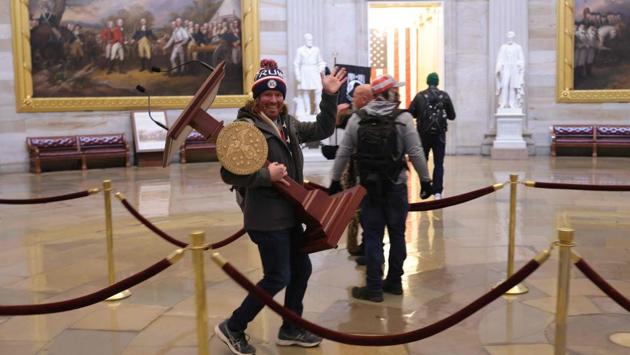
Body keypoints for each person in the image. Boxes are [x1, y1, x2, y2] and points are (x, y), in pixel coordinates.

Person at [215, 59, 347, 355]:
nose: (273, 99)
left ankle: (290, 328)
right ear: (257, 97)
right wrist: (265, 175)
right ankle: (233, 327)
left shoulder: (288, 123)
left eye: (277, 94)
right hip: (265, 217)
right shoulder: (245, 128)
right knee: (278, 276)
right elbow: (228, 173)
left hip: (289, 214)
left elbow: (324, 128)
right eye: (266, 94)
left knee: (301, 269)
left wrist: (329, 96)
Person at [329, 74, 432, 303]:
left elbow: (344, 152)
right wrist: (426, 180)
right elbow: (415, 151)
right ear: (391, 93)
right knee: (397, 235)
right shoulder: (403, 118)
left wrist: (334, 180)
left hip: (369, 187)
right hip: (396, 185)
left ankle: (373, 287)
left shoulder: (358, 118)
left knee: (373, 236)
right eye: (397, 89)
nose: (399, 92)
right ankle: (394, 282)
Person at [335, 84, 373, 257]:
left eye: (356, 95)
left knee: (360, 210)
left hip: (360, 173)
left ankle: (363, 246)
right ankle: (360, 245)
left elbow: (339, 122)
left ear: (364, 99)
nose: (352, 98)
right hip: (361, 172)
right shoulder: (356, 115)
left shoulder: (358, 116)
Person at [408, 72, 456, 200]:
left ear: (427, 82)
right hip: (439, 135)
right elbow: (452, 116)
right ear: (437, 82)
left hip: (423, 134)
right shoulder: (444, 96)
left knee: (422, 162)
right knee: (439, 163)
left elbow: (410, 113)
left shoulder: (419, 96)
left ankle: (425, 188)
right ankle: (437, 192)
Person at [294, 33, 326, 116]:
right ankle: (307, 110)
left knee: (318, 90)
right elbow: (296, 63)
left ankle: (318, 109)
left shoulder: (316, 50)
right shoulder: (300, 50)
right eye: (308, 40)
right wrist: (298, 75)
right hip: (305, 71)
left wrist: (321, 67)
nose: (310, 41)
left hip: (314, 71)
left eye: (311, 40)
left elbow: (320, 61)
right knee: (305, 91)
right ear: (305, 40)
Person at [495, 31, 525, 111]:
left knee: (513, 86)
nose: (510, 38)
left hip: (514, 68)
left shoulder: (518, 47)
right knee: (504, 85)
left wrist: (520, 65)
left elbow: (521, 59)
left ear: (514, 37)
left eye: (511, 36)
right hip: (505, 68)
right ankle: (503, 103)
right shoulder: (503, 47)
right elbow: (500, 59)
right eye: (508, 36)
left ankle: (512, 104)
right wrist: (498, 67)